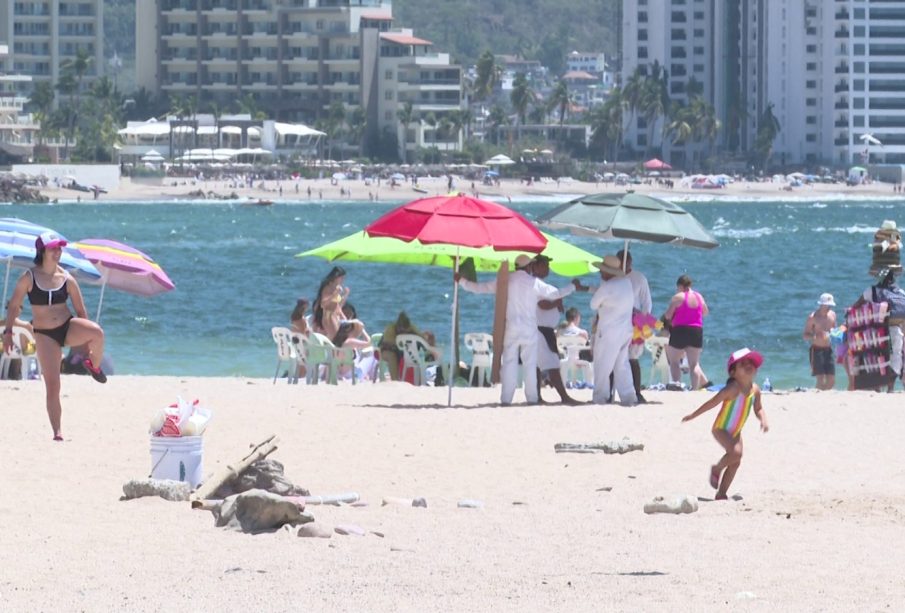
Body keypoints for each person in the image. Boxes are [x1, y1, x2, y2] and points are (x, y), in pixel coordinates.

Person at [3, 232, 107, 441]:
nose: (58, 252)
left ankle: (92, 365)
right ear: (42, 251)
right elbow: (14, 306)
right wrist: (8, 333)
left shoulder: (67, 279)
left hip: (67, 327)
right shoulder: (28, 278)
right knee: (53, 384)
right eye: (53, 248)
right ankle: (57, 431)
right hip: (45, 335)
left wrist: (85, 343)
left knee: (97, 332)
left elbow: (81, 311)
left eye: (60, 248)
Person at [456, 254, 579, 405]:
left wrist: (461, 281)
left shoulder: (505, 281)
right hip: (529, 329)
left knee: (509, 363)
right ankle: (532, 398)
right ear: (529, 266)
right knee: (530, 364)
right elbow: (556, 293)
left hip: (512, 328)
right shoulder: (534, 283)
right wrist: (573, 286)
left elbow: (480, 288)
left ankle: (506, 399)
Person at [681, 348, 769, 501]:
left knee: (736, 461)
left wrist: (763, 419)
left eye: (751, 363)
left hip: (736, 431)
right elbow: (712, 403)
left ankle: (721, 493)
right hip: (721, 428)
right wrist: (693, 415)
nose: (748, 365)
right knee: (736, 454)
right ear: (733, 373)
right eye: (743, 363)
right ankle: (717, 468)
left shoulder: (755, 390)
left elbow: (758, 408)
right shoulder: (732, 389)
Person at [584, 255, 637, 405]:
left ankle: (600, 397)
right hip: (626, 330)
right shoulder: (626, 283)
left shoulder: (607, 287)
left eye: (602, 271)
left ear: (608, 272)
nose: (601, 273)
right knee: (622, 365)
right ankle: (628, 396)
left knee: (602, 365)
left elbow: (593, 304)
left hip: (609, 332)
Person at [531, 254, 578, 404]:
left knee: (538, 365)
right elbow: (542, 305)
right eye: (544, 264)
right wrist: (557, 301)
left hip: (543, 329)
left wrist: (556, 302)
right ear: (536, 266)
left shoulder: (538, 284)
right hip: (541, 330)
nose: (547, 268)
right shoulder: (536, 284)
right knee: (552, 364)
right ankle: (564, 397)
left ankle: (537, 396)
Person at [854, 268, 905, 389]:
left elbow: (856, 306)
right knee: (895, 358)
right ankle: (890, 388)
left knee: (878, 358)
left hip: (878, 331)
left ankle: (877, 387)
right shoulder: (901, 293)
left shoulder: (872, 290)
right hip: (896, 329)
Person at [662, 274, 709, 389]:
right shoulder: (699, 297)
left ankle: (677, 384)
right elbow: (705, 312)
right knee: (694, 364)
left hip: (680, 330)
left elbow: (668, 315)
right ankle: (694, 388)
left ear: (680, 286)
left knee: (674, 361)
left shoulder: (678, 297)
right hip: (696, 330)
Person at [618, 249, 653, 402]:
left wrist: (643, 325)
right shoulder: (614, 277)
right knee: (615, 355)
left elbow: (647, 303)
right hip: (617, 320)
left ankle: (637, 392)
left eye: (626, 261)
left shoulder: (639, 278)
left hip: (635, 321)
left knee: (633, 356)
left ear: (630, 261)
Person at [803, 293, 837, 390]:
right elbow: (805, 335)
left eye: (830, 305)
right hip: (816, 350)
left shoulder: (833, 315)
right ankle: (819, 396)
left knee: (831, 380)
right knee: (820, 379)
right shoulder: (812, 317)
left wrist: (836, 334)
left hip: (829, 349)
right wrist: (816, 335)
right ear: (822, 305)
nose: (829, 307)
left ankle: (824, 395)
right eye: (827, 305)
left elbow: (834, 330)